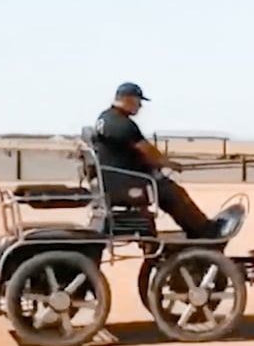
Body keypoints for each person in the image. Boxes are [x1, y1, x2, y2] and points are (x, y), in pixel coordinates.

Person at [92, 82, 219, 238]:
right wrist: (168, 163)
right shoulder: (123, 124)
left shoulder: (106, 117)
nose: (140, 106)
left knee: (165, 185)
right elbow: (147, 151)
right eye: (138, 101)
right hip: (126, 181)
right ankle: (203, 231)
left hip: (115, 178)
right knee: (172, 192)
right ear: (127, 99)